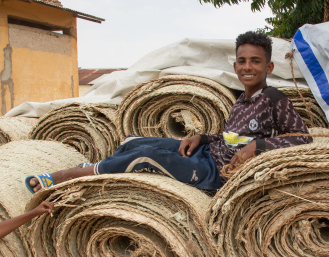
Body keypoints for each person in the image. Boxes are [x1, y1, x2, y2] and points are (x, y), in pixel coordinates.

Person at [25, 31, 312, 194]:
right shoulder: (241, 99)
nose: (248, 67)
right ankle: (98, 168)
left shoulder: (274, 98)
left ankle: (64, 177)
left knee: (145, 158)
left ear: (268, 68)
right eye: (242, 61)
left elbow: (302, 138)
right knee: (134, 142)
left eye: (255, 62)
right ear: (235, 66)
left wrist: (257, 146)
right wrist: (202, 136)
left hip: (215, 174)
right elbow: (230, 138)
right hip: (207, 153)